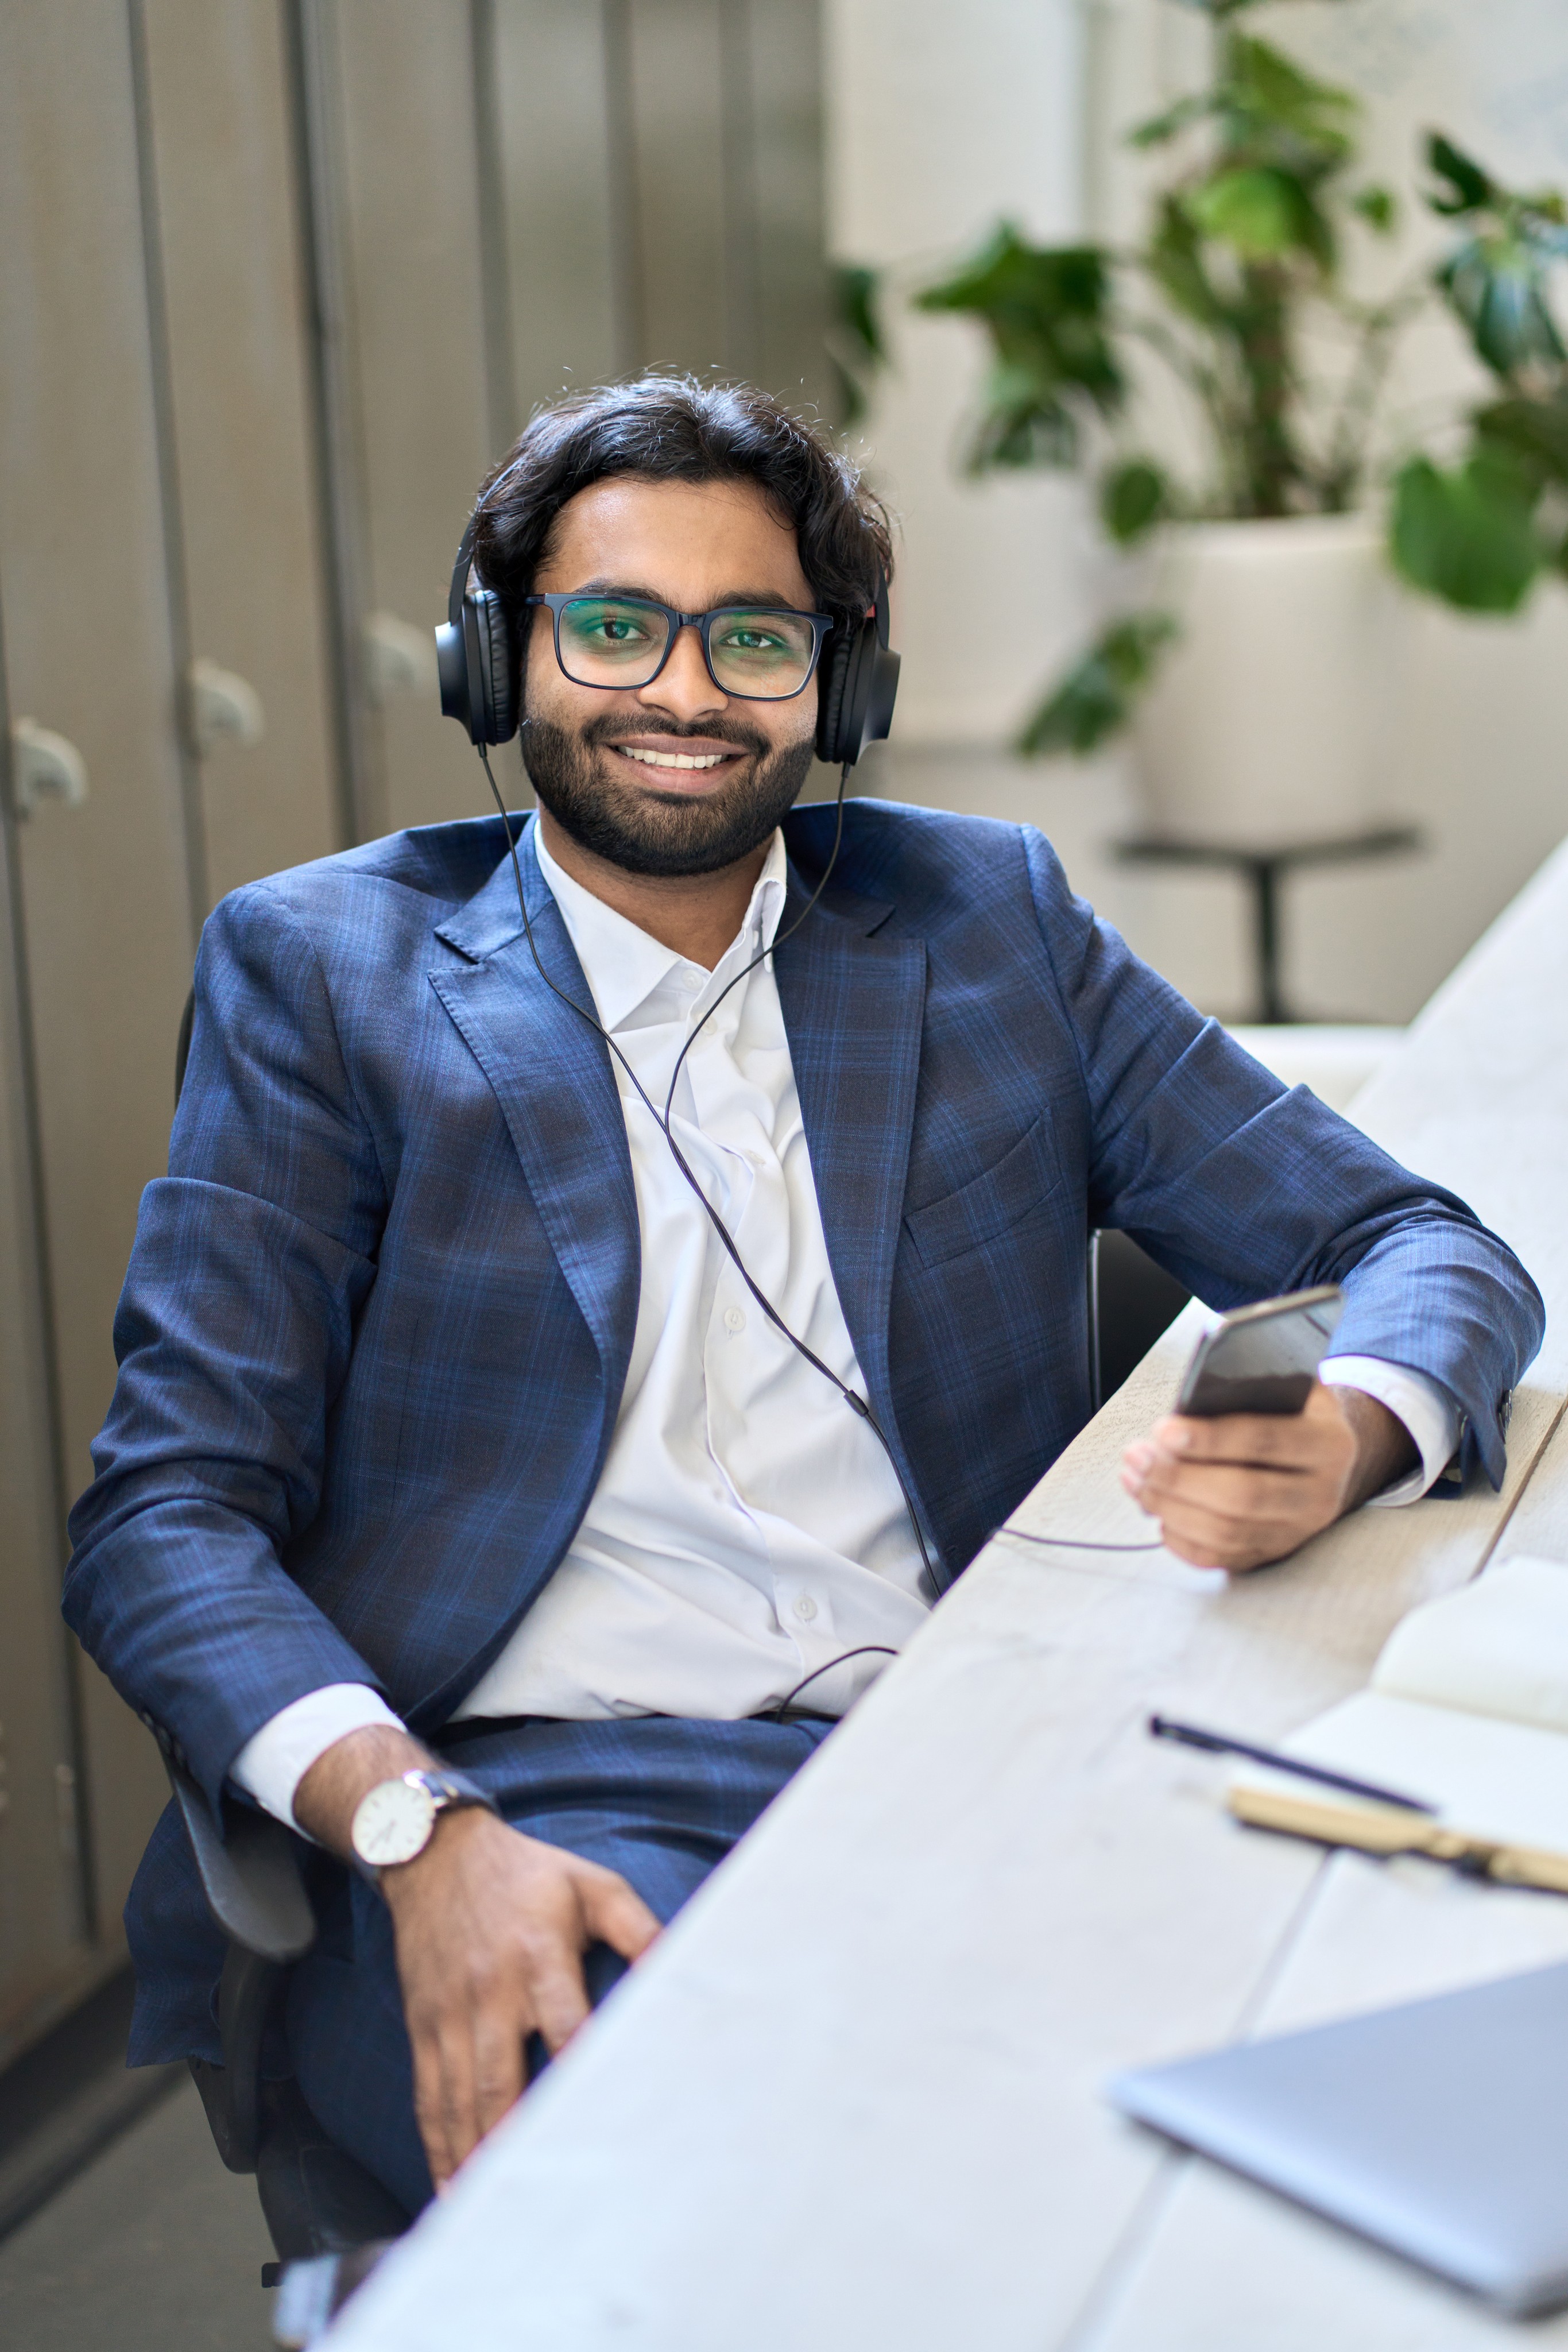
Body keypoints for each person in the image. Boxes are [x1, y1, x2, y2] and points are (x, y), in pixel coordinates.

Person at [65, 376, 1542, 2219]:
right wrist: (416, 1833)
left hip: (990, 1740)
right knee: (755, 2190)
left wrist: (1347, 1431)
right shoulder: (323, 974)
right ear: (496, 659)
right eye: (613, 626)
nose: (681, 693)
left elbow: (1420, 1243)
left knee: (1367, 2069)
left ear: (836, 688)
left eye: (752, 639)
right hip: (543, 1797)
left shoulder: (982, 923)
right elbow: (164, 1519)